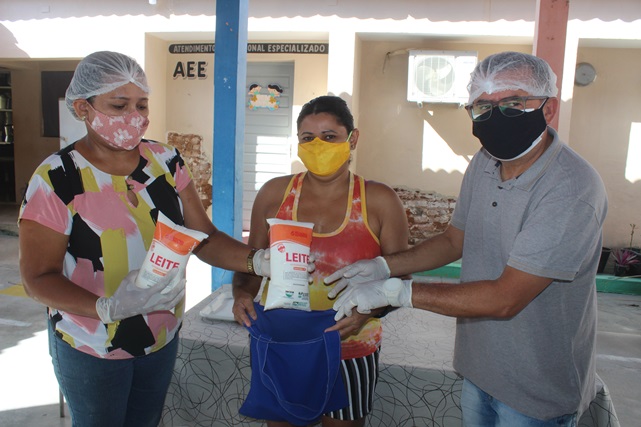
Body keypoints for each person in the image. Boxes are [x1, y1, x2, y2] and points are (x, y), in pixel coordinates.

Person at [326, 52, 608, 426]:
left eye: (512, 103)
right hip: (480, 365)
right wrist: (381, 265)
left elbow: (506, 298)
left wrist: (395, 293)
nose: (496, 117)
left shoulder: (570, 189)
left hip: (535, 386)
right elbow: (453, 241)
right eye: (483, 106)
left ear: (549, 108)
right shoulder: (486, 161)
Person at [18, 51, 269, 427]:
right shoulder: (57, 178)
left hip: (160, 333)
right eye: (119, 105)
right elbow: (38, 277)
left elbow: (204, 237)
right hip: (92, 344)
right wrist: (107, 308)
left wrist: (258, 261)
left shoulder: (165, 162)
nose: (134, 116)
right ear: (84, 108)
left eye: (141, 104)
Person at [232, 95, 409, 427]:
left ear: (352, 139)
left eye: (330, 137)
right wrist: (240, 294)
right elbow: (249, 264)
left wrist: (366, 312)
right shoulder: (274, 195)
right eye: (307, 138)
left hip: (349, 346)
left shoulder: (379, 201)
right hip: (285, 345)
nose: (318, 146)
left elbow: (403, 279)